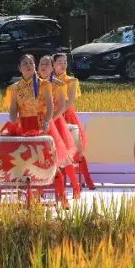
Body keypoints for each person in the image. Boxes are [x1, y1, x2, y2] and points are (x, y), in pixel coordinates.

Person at [3, 54, 67, 205]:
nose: (28, 65)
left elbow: (50, 106)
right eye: (24, 63)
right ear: (19, 68)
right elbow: (13, 109)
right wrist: (13, 120)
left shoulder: (44, 84)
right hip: (23, 127)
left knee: (48, 163)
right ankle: (25, 198)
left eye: (31, 63)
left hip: (40, 126)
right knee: (22, 164)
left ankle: (62, 196)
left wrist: (46, 122)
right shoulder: (14, 88)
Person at [39, 55, 81, 199]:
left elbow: (63, 106)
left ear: (52, 67)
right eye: (41, 64)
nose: (43, 67)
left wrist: (50, 120)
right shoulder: (36, 83)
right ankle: (41, 189)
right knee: (42, 157)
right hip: (39, 123)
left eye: (46, 64)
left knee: (62, 158)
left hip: (55, 122)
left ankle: (75, 186)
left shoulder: (58, 84)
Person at [54, 53, 95, 190]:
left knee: (77, 150)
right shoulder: (48, 81)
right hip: (52, 116)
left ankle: (87, 181)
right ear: (53, 64)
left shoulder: (71, 81)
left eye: (65, 62)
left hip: (66, 115)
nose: (63, 64)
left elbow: (69, 101)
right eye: (59, 62)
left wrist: (57, 115)